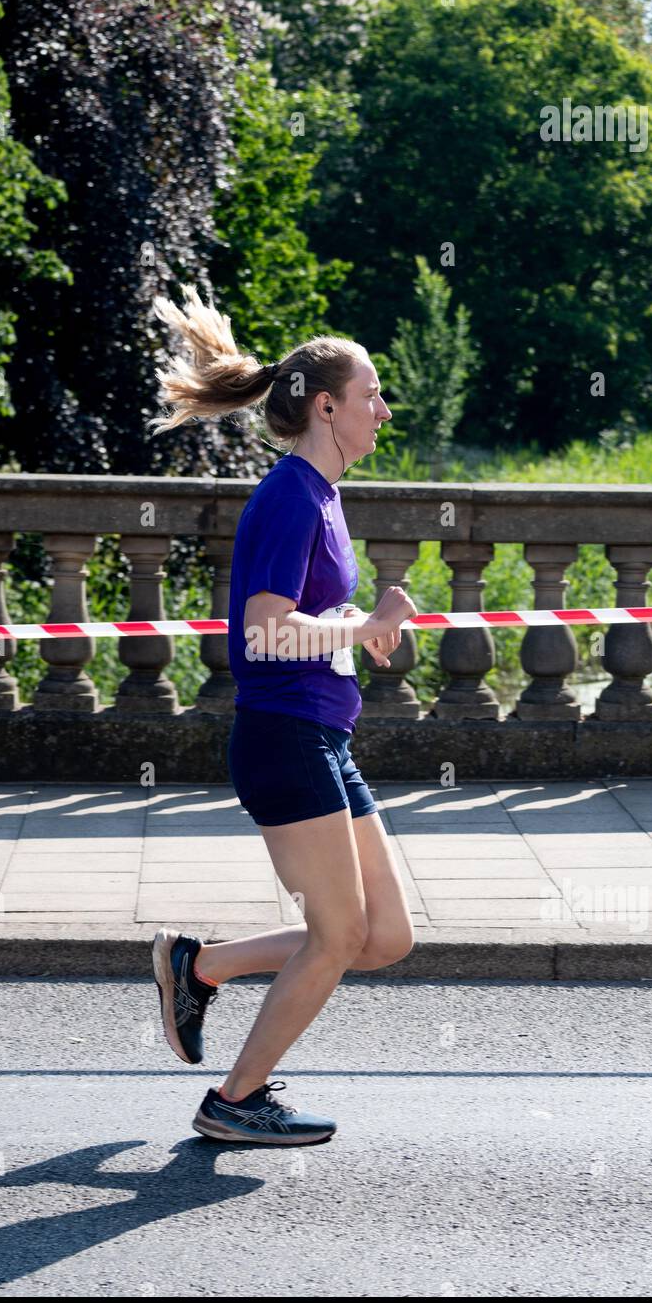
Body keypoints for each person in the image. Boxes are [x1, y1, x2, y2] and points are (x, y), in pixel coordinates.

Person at [150, 284, 417, 1145]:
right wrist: (363, 625)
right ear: (328, 405)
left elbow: (298, 623)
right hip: (284, 738)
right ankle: (234, 1099)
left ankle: (201, 966)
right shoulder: (291, 496)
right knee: (336, 936)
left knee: (385, 937)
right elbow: (264, 635)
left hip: (323, 738)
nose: (383, 408)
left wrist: (352, 635)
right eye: (371, 393)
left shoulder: (326, 498)